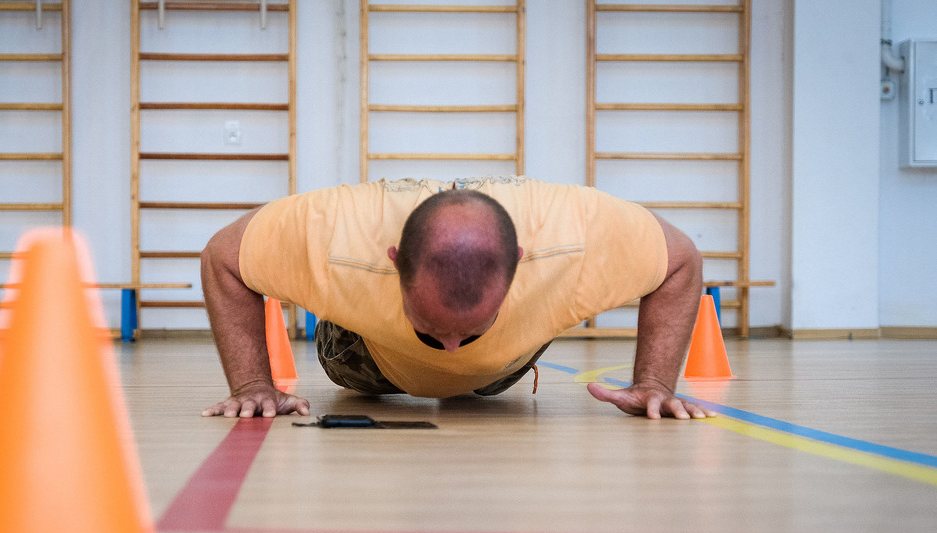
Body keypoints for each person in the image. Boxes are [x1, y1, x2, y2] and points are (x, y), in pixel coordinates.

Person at [199, 176, 713, 420]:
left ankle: (480, 340)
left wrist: (654, 382)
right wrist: (251, 385)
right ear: (394, 260)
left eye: (469, 330)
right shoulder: (338, 235)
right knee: (354, 327)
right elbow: (223, 257)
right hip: (371, 359)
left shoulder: (568, 239)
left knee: (485, 371)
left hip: (504, 365)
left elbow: (682, 261)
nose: (449, 348)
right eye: (431, 327)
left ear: (521, 267)